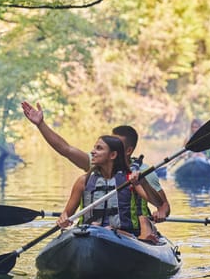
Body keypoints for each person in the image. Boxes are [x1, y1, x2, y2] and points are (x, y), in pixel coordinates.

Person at [21, 101, 170, 222]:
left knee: (143, 224)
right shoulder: (93, 167)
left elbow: (163, 206)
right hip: (95, 231)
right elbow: (66, 149)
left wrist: (160, 212)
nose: (94, 151)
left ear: (123, 151)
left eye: (114, 143)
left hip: (131, 231)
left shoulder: (142, 173)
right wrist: (41, 124)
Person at [56, 135, 161, 242]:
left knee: (107, 230)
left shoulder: (130, 179)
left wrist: (143, 182)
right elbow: (66, 215)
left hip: (125, 237)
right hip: (88, 233)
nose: (92, 152)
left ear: (113, 155)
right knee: (96, 229)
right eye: (94, 148)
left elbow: (158, 203)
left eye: (99, 148)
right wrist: (63, 220)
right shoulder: (83, 181)